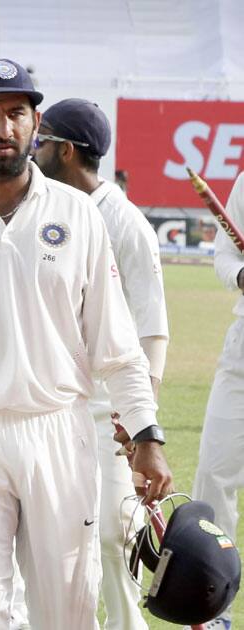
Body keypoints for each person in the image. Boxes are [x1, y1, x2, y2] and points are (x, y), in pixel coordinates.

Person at [0, 58, 174, 629]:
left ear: (36, 122)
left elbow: (115, 340)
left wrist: (147, 433)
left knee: (66, 607)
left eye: (16, 113)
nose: (4, 128)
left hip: (59, 428)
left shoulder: (77, 217)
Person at [34, 97, 169, 630]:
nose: (32, 149)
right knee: (60, 534)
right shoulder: (46, 207)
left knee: (113, 533)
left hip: (109, 409)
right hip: (54, 402)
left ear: (65, 152)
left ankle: (125, 622)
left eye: (41, 141)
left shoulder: (124, 223)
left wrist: (142, 422)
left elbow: (153, 328)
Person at [192, 170, 244, 630]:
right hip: (241, 358)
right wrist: (242, 273)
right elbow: (226, 252)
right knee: (212, 472)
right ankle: (215, 610)